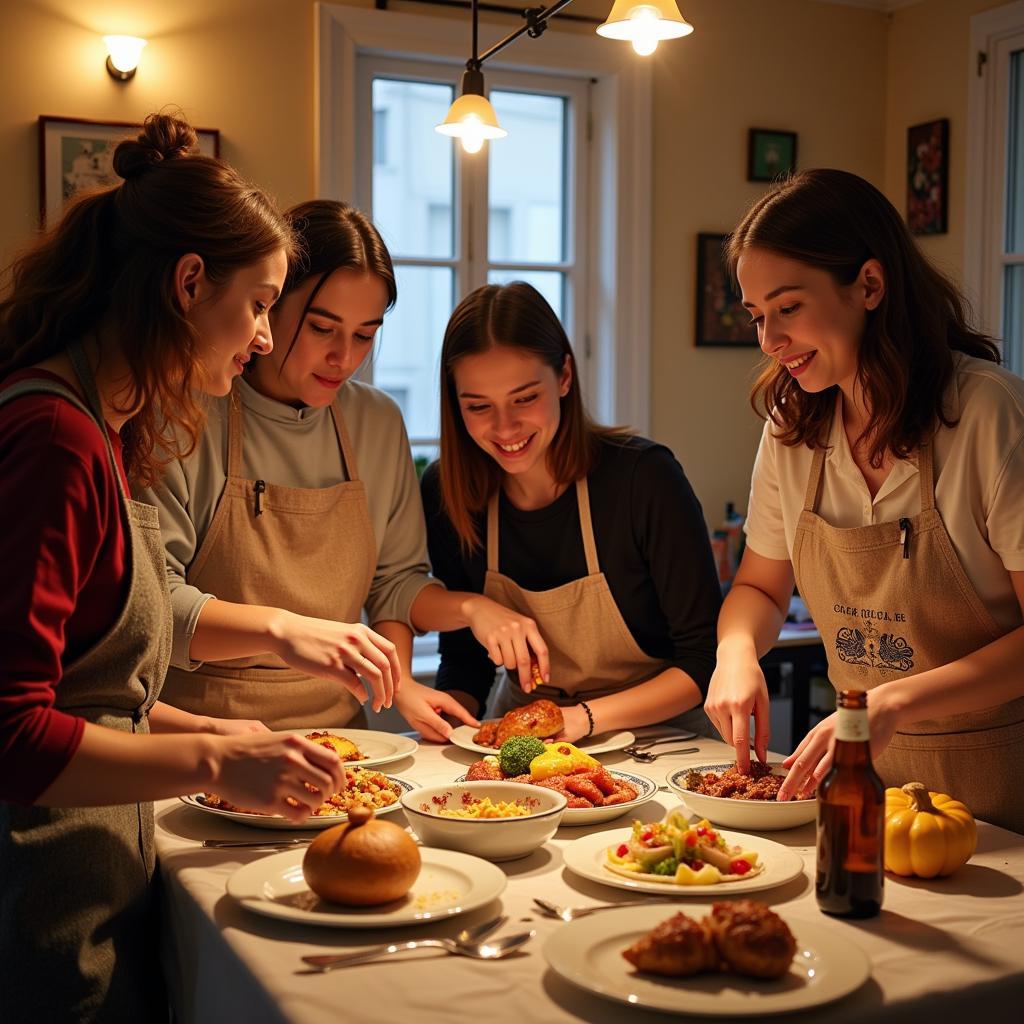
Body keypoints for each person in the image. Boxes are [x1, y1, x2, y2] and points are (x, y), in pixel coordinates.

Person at [0, 114, 349, 1021]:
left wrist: (221, 739)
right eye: (264, 302)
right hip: (38, 916)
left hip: (95, 887)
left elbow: (92, 685)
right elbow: (12, 732)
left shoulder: (102, 426)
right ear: (190, 282)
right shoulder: (53, 439)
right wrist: (211, 764)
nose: (266, 337)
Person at [705, 169, 1024, 833]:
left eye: (788, 308)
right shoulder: (793, 430)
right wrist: (735, 652)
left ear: (870, 286)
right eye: (758, 316)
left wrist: (894, 702)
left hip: (1001, 803)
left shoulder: (987, 416)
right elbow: (760, 590)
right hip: (865, 796)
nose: (768, 341)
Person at [139, 200, 489, 740]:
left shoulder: (375, 420)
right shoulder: (182, 412)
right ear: (270, 306)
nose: (344, 358)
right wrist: (283, 631)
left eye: (365, 335)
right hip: (200, 741)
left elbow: (394, 582)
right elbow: (158, 605)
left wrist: (398, 685)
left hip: (343, 747)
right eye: (322, 327)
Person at [421, 282, 721, 742]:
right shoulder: (448, 490)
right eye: (478, 406)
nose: (505, 428)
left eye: (524, 399)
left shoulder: (643, 478)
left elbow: (703, 662)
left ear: (564, 376)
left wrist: (580, 717)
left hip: (661, 735)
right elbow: (466, 657)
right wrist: (449, 726)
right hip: (523, 737)